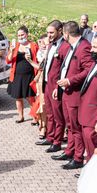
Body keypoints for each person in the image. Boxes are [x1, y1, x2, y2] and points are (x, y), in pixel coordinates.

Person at [52, 21, 94, 170]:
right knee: (69, 125)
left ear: (65, 33)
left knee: (75, 127)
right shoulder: (71, 47)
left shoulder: (84, 47)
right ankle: (69, 151)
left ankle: (77, 157)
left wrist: (70, 81)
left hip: (75, 94)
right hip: (66, 91)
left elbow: (88, 70)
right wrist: (59, 86)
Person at [37, 20, 65, 153]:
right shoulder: (50, 45)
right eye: (47, 32)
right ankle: (50, 136)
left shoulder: (64, 46)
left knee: (57, 114)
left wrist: (58, 86)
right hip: (47, 83)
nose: (48, 35)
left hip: (56, 85)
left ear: (60, 31)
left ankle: (57, 141)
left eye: (51, 33)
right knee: (49, 113)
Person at [6, 26, 38, 123]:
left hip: (29, 76)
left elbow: (38, 59)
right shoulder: (15, 46)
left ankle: (35, 117)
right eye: (19, 35)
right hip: (16, 76)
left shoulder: (33, 45)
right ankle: (21, 116)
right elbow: (8, 60)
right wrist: (11, 51)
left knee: (30, 97)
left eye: (22, 34)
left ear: (27, 34)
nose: (20, 37)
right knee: (18, 97)